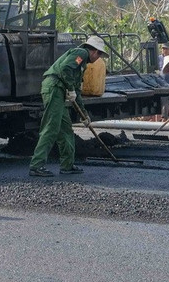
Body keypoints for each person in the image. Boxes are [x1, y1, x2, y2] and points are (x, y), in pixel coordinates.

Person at [29, 36, 109, 177]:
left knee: (65, 129)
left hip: (59, 89)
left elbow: (76, 92)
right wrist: (70, 88)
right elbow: (65, 69)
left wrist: (84, 115)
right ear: (95, 51)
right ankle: (36, 165)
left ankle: (67, 165)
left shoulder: (81, 63)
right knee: (51, 127)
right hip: (54, 88)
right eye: (100, 54)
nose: (99, 58)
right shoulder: (81, 53)